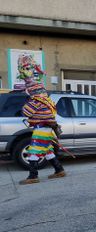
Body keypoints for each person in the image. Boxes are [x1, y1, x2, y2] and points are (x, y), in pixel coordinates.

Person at [18, 54, 66, 185]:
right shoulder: (47, 100)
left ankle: (33, 175)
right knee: (47, 150)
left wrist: (24, 103)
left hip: (41, 128)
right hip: (47, 128)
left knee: (34, 150)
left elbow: (26, 112)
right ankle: (59, 170)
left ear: (31, 91)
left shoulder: (35, 101)